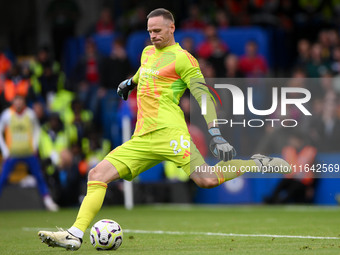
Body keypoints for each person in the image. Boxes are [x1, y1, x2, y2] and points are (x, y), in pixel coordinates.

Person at [38, 8, 291, 251]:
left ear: (172, 28)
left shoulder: (183, 59)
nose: (153, 35)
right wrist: (129, 82)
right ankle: (75, 235)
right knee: (97, 174)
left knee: (207, 180)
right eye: (149, 31)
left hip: (172, 135)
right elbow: (144, 72)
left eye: (158, 30)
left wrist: (215, 133)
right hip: (142, 138)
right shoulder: (147, 52)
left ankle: (257, 163)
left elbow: (202, 96)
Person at [0, 95, 58, 211]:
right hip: (13, 153)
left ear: (24, 102)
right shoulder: (7, 114)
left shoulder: (30, 114)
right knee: (3, 178)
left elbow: (37, 129)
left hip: (28, 153)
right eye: (16, 102)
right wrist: (5, 150)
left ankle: (47, 201)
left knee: (39, 176)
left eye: (20, 101)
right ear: (13, 102)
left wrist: (34, 146)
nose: (18, 104)